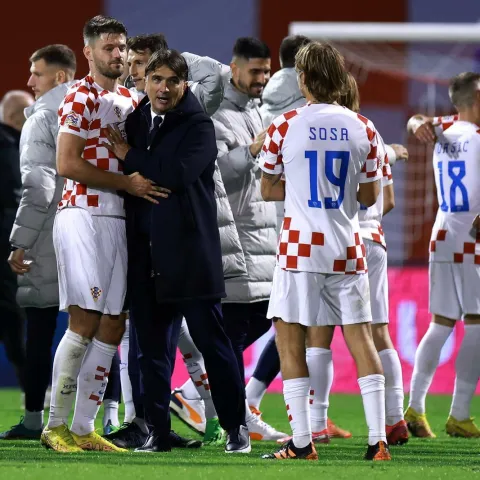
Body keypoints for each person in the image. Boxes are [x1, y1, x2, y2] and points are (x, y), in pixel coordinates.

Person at [104, 48, 250, 454]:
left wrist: (130, 157)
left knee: (213, 344)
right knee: (151, 350)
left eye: (172, 80)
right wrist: (138, 164)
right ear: (145, 81)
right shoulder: (135, 120)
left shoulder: (200, 125)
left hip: (190, 253)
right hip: (146, 254)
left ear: (184, 84)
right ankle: (157, 431)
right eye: (156, 79)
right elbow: (145, 176)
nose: (163, 88)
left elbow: (177, 174)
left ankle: (236, 427)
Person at [259, 42, 390, 461]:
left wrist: (301, 188)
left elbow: (266, 188)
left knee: (290, 343)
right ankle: (378, 441)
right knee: (361, 339)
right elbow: (371, 196)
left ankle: (302, 444)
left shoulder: (285, 125)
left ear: (303, 79)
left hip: (300, 249)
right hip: (348, 247)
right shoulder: (364, 127)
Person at [40, 15, 160, 454]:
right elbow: (68, 164)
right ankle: (54, 425)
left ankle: (86, 427)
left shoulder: (130, 99)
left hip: (119, 220)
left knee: (113, 323)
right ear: (88, 52)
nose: (118, 55)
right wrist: (127, 184)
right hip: (83, 216)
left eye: (121, 47)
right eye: (108, 48)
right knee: (85, 320)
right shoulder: (79, 95)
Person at [0, 45, 77, 441]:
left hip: (48, 236)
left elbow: (37, 188)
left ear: (60, 77)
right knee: (105, 331)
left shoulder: (43, 117)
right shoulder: (98, 107)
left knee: (42, 329)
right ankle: (112, 420)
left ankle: (35, 421)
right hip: (97, 231)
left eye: (37, 74)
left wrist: (20, 241)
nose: (30, 81)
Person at [405, 73, 480, 439]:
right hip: (472, 238)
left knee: (441, 323)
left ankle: (415, 410)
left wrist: (416, 120)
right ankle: (460, 414)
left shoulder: (444, 133)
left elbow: (422, 123)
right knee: (478, 323)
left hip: (443, 233)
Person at [0, 90, 33, 399]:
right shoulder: (7, 145)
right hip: (6, 248)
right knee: (12, 315)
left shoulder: (15, 144)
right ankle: (31, 390)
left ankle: (31, 389)